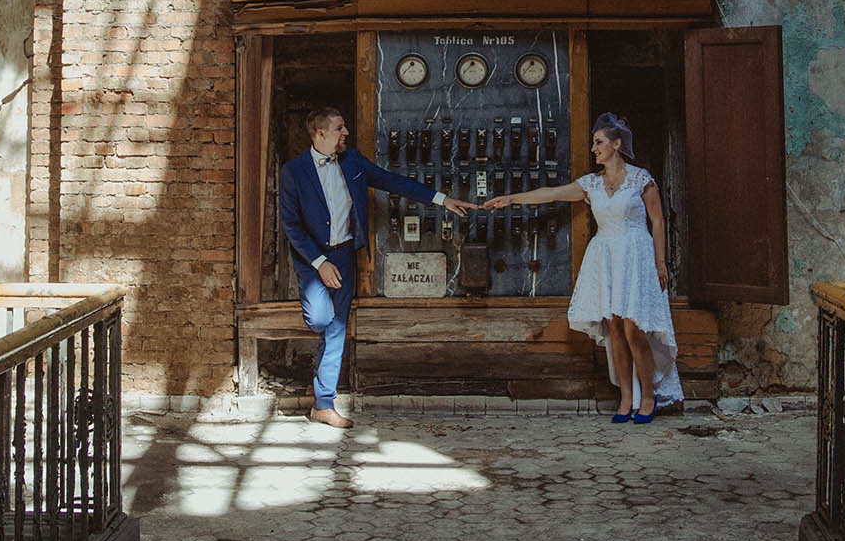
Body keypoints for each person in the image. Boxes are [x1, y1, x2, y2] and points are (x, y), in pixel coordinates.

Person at [278, 105, 474, 428]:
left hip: (344, 255)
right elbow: (291, 224)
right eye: (340, 128)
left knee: (337, 328)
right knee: (321, 318)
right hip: (314, 260)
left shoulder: (353, 161)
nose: (346, 133)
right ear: (320, 133)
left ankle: (323, 404)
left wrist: (442, 199)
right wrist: (320, 263)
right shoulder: (294, 171)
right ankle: (322, 390)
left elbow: (393, 182)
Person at [485, 111, 681, 422]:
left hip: (635, 256)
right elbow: (552, 193)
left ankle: (648, 396)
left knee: (633, 328)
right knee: (614, 327)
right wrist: (511, 199)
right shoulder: (592, 184)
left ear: (616, 144)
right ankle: (625, 398)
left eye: (599, 142)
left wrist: (660, 262)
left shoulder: (641, 179)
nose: (593, 149)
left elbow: (657, 222)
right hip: (606, 256)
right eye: (593, 143)